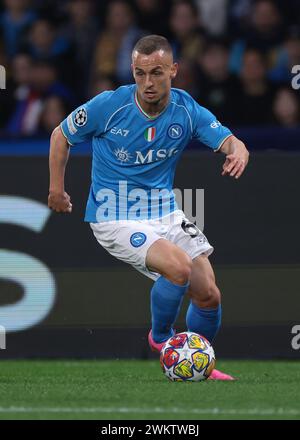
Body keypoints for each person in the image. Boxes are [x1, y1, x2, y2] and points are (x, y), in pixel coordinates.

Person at [48, 35, 249, 380]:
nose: (148, 83)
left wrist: (239, 149)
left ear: (173, 70)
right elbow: (60, 135)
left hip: (165, 212)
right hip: (114, 215)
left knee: (208, 294)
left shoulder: (186, 110)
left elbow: (228, 139)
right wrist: (56, 189)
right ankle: (161, 339)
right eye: (140, 74)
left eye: (156, 73)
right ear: (132, 71)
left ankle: (196, 365)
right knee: (179, 268)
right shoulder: (110, 106)